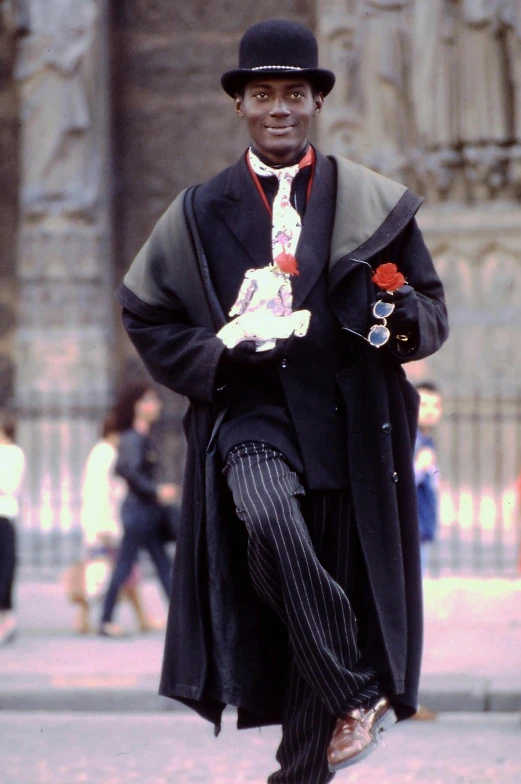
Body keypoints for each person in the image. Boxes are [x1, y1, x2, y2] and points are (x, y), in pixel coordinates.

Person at [114, 19, 449, 782]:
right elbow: (144, 312)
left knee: (304, 713)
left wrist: (390, 317)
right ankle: (353, 685)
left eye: (293, 93)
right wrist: (214, 355)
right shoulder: (197, 210)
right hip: (249, 417)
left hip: (350, 435)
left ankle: (306, 751)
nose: (278, 108)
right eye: (261, 93)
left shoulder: (374, 202)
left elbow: (428, 315)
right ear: (238, 104)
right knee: (265, 514)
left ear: (315, 103)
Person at [68, 411, 161, 634]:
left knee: (123, 570)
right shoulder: (107, 453)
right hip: (106, 523)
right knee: (107, 572)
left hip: (105, 521)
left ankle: (139, 617)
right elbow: (101, 492)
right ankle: (93, 618)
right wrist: (104, 525)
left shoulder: (101, 452)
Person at [98, 382, 177, 638]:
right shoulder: (132, 437)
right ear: (137, 406)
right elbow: (126, 469)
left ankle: (181, 620)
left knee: (163, 564)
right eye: (150, 400)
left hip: (148, 511)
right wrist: (155, 490)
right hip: (138, 511)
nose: (156, 406)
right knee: (125, 564)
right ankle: (106, 620)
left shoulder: (142, 436)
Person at [0, 411, 25, 646]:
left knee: (5, 569)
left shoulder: (13, 453)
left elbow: (10, 485)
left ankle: (6, 618)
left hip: (4, 515)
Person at [414, 381, 443, 575]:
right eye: (423, 405)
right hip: (412, 525)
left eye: (436, 406)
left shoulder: (427, 440)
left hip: (423, 525)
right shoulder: (411, 440)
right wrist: (418, 466)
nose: (430, 411)